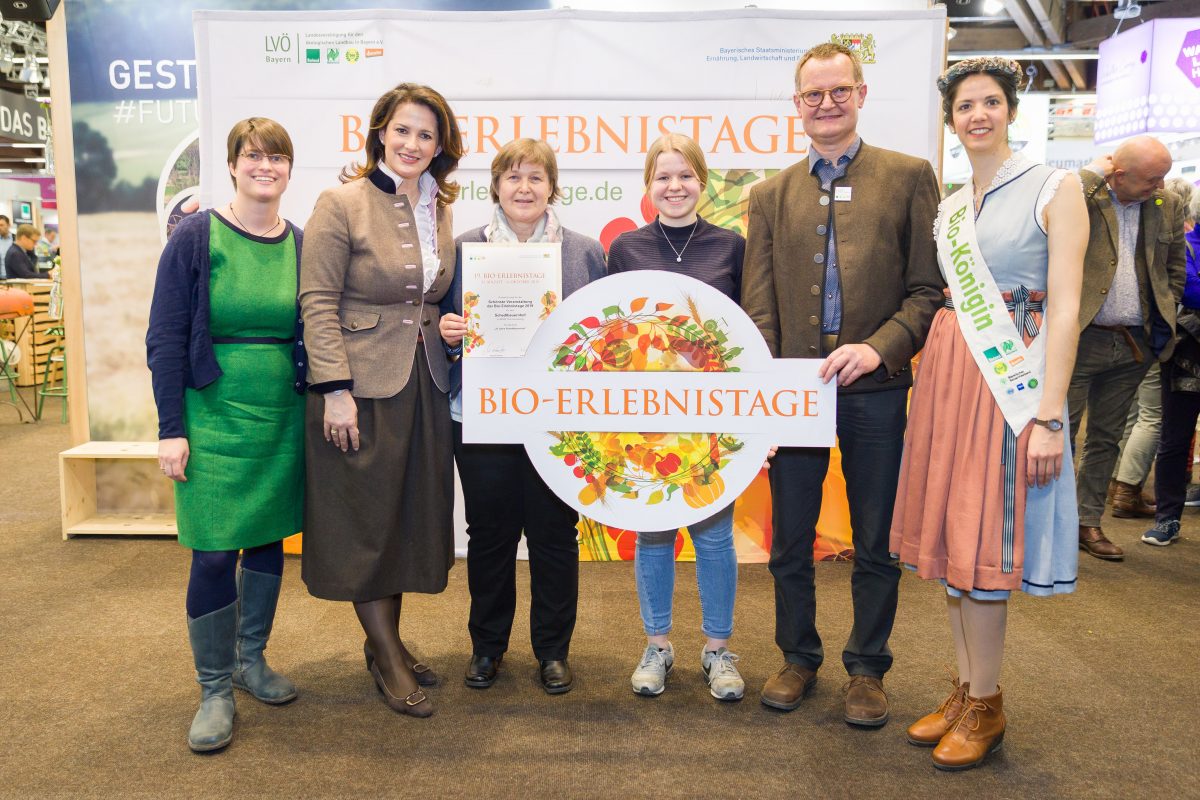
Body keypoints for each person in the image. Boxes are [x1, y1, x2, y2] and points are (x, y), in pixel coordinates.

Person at [891, 57, 1087, 771]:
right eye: (965, 105)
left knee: (984, 549)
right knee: (955, 545)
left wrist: (1050, 415)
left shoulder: (1054, 188)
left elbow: (1065, 308)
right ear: (952, 119)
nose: (978, 115)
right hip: (950, 375)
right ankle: (968, 687)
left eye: (991, 103)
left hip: (1013, 385)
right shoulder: (950, 205)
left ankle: (987, 704)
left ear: (1011, 111)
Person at [741, 42, 942, 725]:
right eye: (812, 94)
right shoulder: (768, 195)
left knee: (875, 534)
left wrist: (879, 348)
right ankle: (798, 657)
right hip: (793, 392)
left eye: (837, 91)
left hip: (877, 387)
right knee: (790, 537)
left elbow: (926, 289)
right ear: (797, 105)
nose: (825, 104)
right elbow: (759, 304)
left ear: (859, 93)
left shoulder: (909, 176)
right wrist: (765, 397)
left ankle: (867, 668)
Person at [299, 83, 461, 718]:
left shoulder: (441, 207)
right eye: (401, 131)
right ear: (378, 134)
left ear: (439, 144)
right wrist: (334, 389)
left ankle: (384, 641)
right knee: (366, 518)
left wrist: (450, 325)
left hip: (427, 379)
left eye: (426, 134)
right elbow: (316, 301)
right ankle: (388, 655)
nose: (412, 144)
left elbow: (437, 294)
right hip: (359, 386)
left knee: (405, 516)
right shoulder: (340, 203)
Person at [146, 117, 306, 753]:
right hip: (210, 413)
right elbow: (163, 337)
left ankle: (251, 661)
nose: (265, 167)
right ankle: (214, 687)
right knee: (213, 550)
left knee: (266, 538)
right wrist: (170, 429)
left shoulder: (299, 240)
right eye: (253, 156)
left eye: (277, 158)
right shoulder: (195, 236)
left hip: (281, 416)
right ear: (234, 165)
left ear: (289, 170)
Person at [438, 138, 605, 695]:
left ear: (552, 187)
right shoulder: (464, 249)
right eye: (513, 178)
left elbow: (602, 336)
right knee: (489, 534)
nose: (525, 188)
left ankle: (553, 651)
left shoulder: (584, 253)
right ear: (496, 188)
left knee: (555, 533)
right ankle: (487, 646)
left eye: (536, 178)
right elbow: (440, 324)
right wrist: (449, 332)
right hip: (483, 414)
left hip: (555, 418)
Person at [606, 133, 748, 701]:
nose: (674, 187)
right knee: (653, 531)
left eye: (685, 176)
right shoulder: (626, 249)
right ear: (648, 186)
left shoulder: (733, 246)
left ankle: (718, 650)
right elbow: (610, 337)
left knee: (714, 536)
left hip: (713, 415)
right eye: (663, 177)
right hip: (644, 418)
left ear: (703, 182)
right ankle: (657, 645)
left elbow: (747, 332)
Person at [1069, 136, 1185, 561]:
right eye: (1152, 180)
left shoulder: (1165, 204)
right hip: (1078, 337)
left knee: (1106, 438)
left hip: (1135, 343)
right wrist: (1087, 176)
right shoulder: (1084, 194)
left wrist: (1166, 307)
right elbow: (1045, 223)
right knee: (1058, 434)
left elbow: (1174, 263)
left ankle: (1087, 523)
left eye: (1163, 179)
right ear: (1118, 175)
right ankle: (1049, 523)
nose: (1160, 187)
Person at [1110, 178, 1196, 519]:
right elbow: (1181, 287)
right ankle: (1126, 489)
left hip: (1141, 331)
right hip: (1157, 335)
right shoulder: (1177, 238)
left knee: (1132, 414)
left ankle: (1117, 485)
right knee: (1151, 415)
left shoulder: (1141, 228)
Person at [1145, 184, 1200, 545]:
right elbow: (1188, 288)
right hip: (1188, 355)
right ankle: (1168, 518)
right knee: (1175, 438)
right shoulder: (1189, 242)